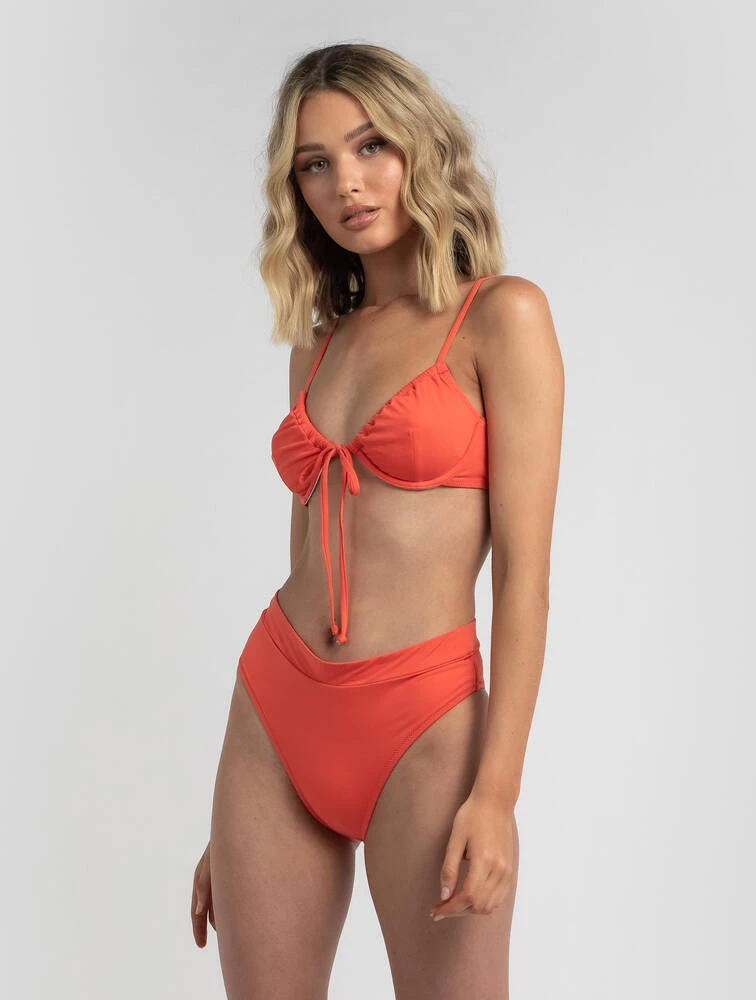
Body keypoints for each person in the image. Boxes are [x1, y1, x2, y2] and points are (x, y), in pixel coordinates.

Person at [190, 42, 564, 999]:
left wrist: (498, 792)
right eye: (313, 165)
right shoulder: (317, 349)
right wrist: (229, 837)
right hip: (274, 712)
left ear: (419, 147)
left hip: (423, 723)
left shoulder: (502, 318)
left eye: (369, 147)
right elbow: (309, 546)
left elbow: (524, 578)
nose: (345, 184)